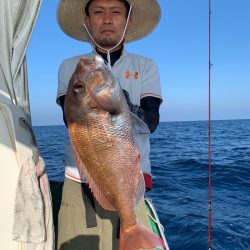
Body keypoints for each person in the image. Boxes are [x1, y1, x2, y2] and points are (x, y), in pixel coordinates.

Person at [56, 0, 163, 249]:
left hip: (130, 180)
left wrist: (124, 107)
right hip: (78, 181)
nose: (107, 19)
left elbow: (152, 119)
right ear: (87, 20)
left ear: (128, 21)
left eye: (116, 12)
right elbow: (70, 115)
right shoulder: (70, 67)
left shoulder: (145, 66)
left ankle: (131, 226)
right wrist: (108, 104)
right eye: (98, 12)